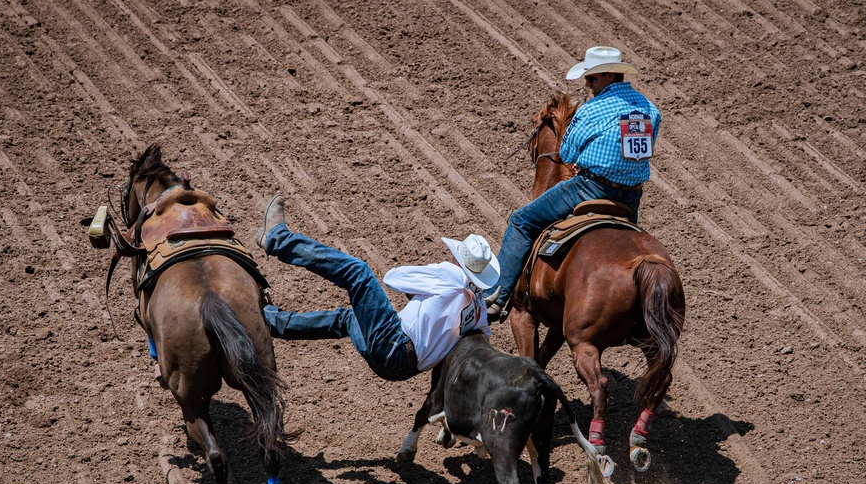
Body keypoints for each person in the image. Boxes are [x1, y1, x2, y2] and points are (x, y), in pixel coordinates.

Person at [486, 46, 661, 322]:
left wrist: (587, 160)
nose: (587, 85)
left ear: (607, 76)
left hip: (589, 189)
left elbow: (565, 154)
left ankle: (495, 297)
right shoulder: (649, 108)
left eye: (591, 79)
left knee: (521, 221)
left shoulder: (593, 109)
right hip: (630, 200)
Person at [256, 193, 498, 381]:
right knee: (348, 319)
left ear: (458, 258)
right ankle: (272, 322)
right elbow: (482, 339)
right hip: (400, 369)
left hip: (393, 343)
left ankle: (277, 238)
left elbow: (393, 277)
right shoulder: (478, 311)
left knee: (358, 272)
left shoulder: (450, 274)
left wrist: (425, 291)